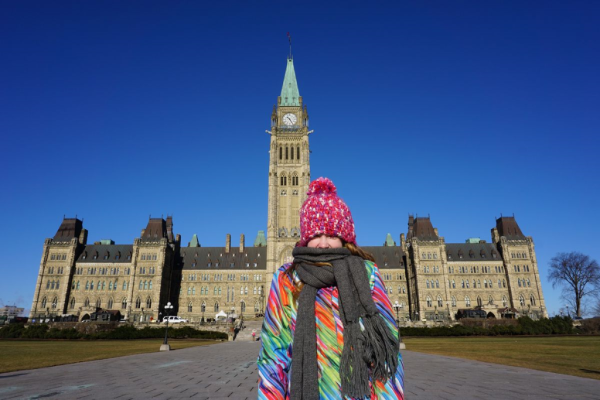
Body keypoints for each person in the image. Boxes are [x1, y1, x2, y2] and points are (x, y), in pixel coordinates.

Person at [258, 177, 404, 399]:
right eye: (316, 234)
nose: (323, 243)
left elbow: (386, 351)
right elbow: (273, 354)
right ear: (305, 238)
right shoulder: (286, 279)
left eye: (332, 235)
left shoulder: (366, 274)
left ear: (344, 239)